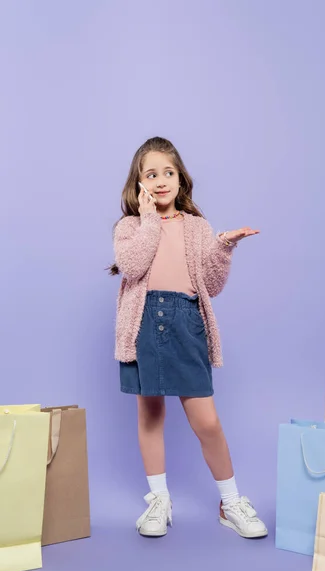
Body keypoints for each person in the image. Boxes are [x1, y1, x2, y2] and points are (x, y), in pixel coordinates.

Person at [109, 136, 267, 539]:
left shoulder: (197, 227)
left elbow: (210, 284)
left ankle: (230, 503)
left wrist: (224, 248)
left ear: (180, 177)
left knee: (207, 421)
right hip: (144, 321)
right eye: (151, 174)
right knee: (151, 414)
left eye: (168, 172)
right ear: (139, 183)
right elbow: (133, 264)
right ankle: (159, 500)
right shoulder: (130, 226)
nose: (161, 181)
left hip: (186, 319)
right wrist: (147, 220)